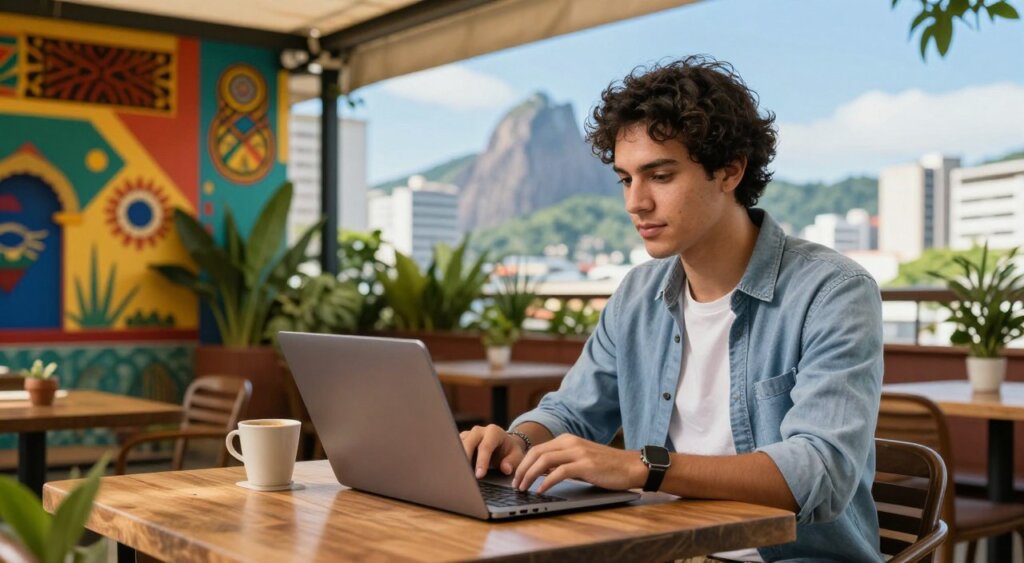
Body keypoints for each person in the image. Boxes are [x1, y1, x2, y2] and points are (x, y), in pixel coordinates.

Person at [460, 55, 883, 562]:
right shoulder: (638, 294)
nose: (635, 203)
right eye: (625, 179)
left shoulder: (833, 291)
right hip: (659, 549)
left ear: (729, 170)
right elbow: (570, 412)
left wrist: (645, 467)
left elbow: (819, 471)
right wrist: (517, 442)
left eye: (659, 176)